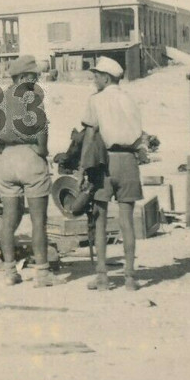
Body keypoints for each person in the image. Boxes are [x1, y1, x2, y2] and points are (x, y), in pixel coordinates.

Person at [0, 54, 56, 287]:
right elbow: (41, 128)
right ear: (24, 77)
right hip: (30, 157)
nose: (36, 79)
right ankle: (42, 274)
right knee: (38, 221)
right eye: (34, 75)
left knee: (9, 219)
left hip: (6, 160)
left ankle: (9, 271)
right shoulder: (31, 97)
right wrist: (42, 150)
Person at [81, 56, 144, 291]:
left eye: (96, 76)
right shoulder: (130, 99)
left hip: (105, 162)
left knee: (100, 220)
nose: (93, 80)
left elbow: (89, 137)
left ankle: (103, 277)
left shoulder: (96, 100)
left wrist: (81, 169)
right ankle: (129, 277)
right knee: (127, 221)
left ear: (106, 78)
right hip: (129, 161)